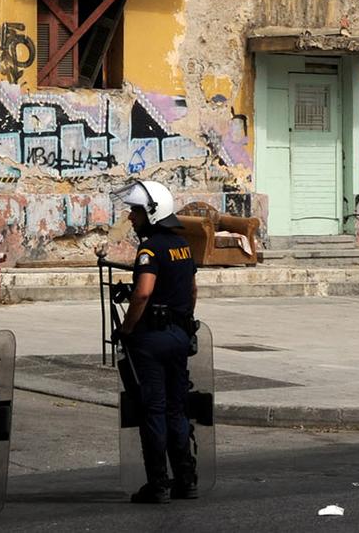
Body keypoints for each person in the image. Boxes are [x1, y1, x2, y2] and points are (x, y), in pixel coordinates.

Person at [114, 179, 199, 504]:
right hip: (179, 335)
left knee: (153, 410)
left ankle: (158, 484)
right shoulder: (182, 246)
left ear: (153, 213)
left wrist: (127, 328)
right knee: (178, 409)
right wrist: (183, 322)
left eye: (136, 211)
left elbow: (144, 291)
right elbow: (192, 291)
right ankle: (186, 480)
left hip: (151, 338)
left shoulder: (149, 249)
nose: (132, 218)